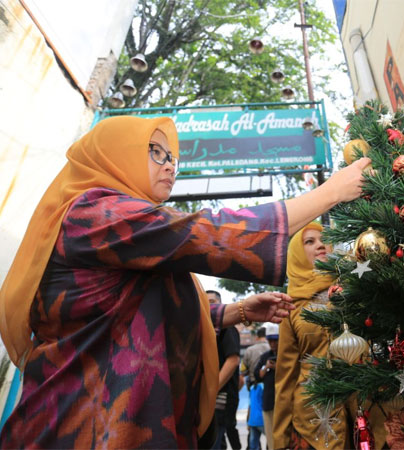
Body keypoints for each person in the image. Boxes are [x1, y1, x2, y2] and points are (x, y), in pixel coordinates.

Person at [0, 115, 370, 448]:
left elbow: (132, 316)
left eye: (172, 156)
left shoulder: (129, 229)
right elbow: (209, 233)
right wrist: (331, 192)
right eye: (155, 152)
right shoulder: (94, 212)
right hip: (84, 422)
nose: (169, 165)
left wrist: (234, 312)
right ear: (112, 155)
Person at [273, 223, 351, 450]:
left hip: (363, 410)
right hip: (314, 422)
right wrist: (280, 439)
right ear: (297, 255)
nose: (320, 245)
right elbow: (286, 376)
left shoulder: (353, 289)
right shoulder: (290, 306)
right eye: (310, 241)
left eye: (322, 239)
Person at [207, 290, 242, 450]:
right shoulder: (205, 329)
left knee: (217, 438)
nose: (209, 306)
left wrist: (211, 390)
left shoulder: (226, 327)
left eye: (213, 301)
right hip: (211, 398)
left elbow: (233, 360)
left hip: (220, 397)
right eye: (205, 302)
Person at [241, 327, 270, 449]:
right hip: (271, 391)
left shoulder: (249, 350)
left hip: (255, 390)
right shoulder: (272, 349)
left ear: (257, 337)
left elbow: (243, 371)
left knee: (253, 424)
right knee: (271, 426)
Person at [254, 324, 279, 450]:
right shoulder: (265, 357)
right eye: (270, 341)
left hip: (283, 402)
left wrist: (278, 367)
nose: (273, 344)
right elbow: (257, 375)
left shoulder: (286, 355)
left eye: (275, 340)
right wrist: (267, 367)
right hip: (268, 401)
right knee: (270, 436)